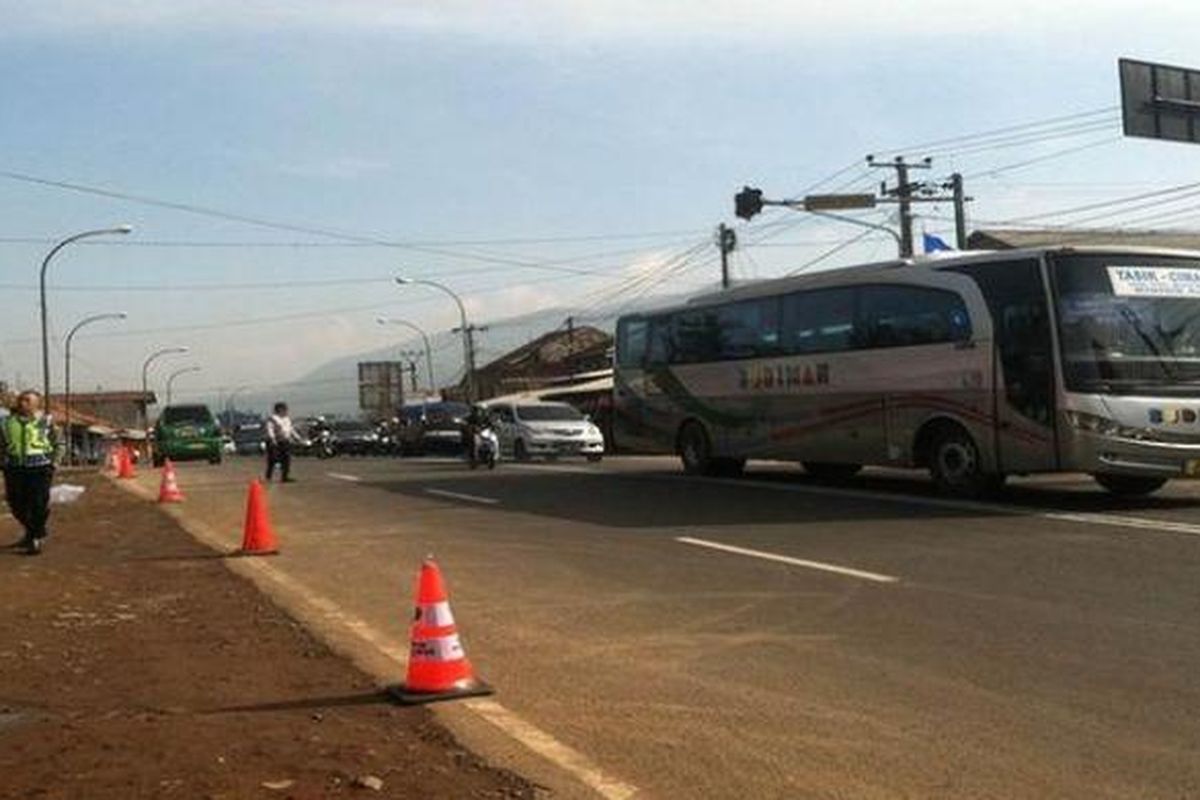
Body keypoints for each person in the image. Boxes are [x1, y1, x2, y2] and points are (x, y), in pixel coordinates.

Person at [2, 390, 57, 555]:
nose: (22, 403)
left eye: (27, 400)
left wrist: (54, 462)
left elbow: (58, 442)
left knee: (38, 504)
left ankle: (34, 539)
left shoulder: (45, 421)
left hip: (40, 468)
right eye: (21, 399)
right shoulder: (6, 422)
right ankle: (36, 532)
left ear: (36, 404)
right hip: (14, 468)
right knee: (16, 504)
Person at [264, 402, 302, 483]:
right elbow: (269, 429)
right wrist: (272, 439)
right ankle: (268, 476)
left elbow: (290, 430)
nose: (286, 411)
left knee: (287, 459)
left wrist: (297, 438)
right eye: (284, 409)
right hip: (275, 441)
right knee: (273, 459)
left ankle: (285, 477)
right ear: (279, 410)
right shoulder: (273, 419)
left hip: (285, 441)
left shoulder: (287, 419)